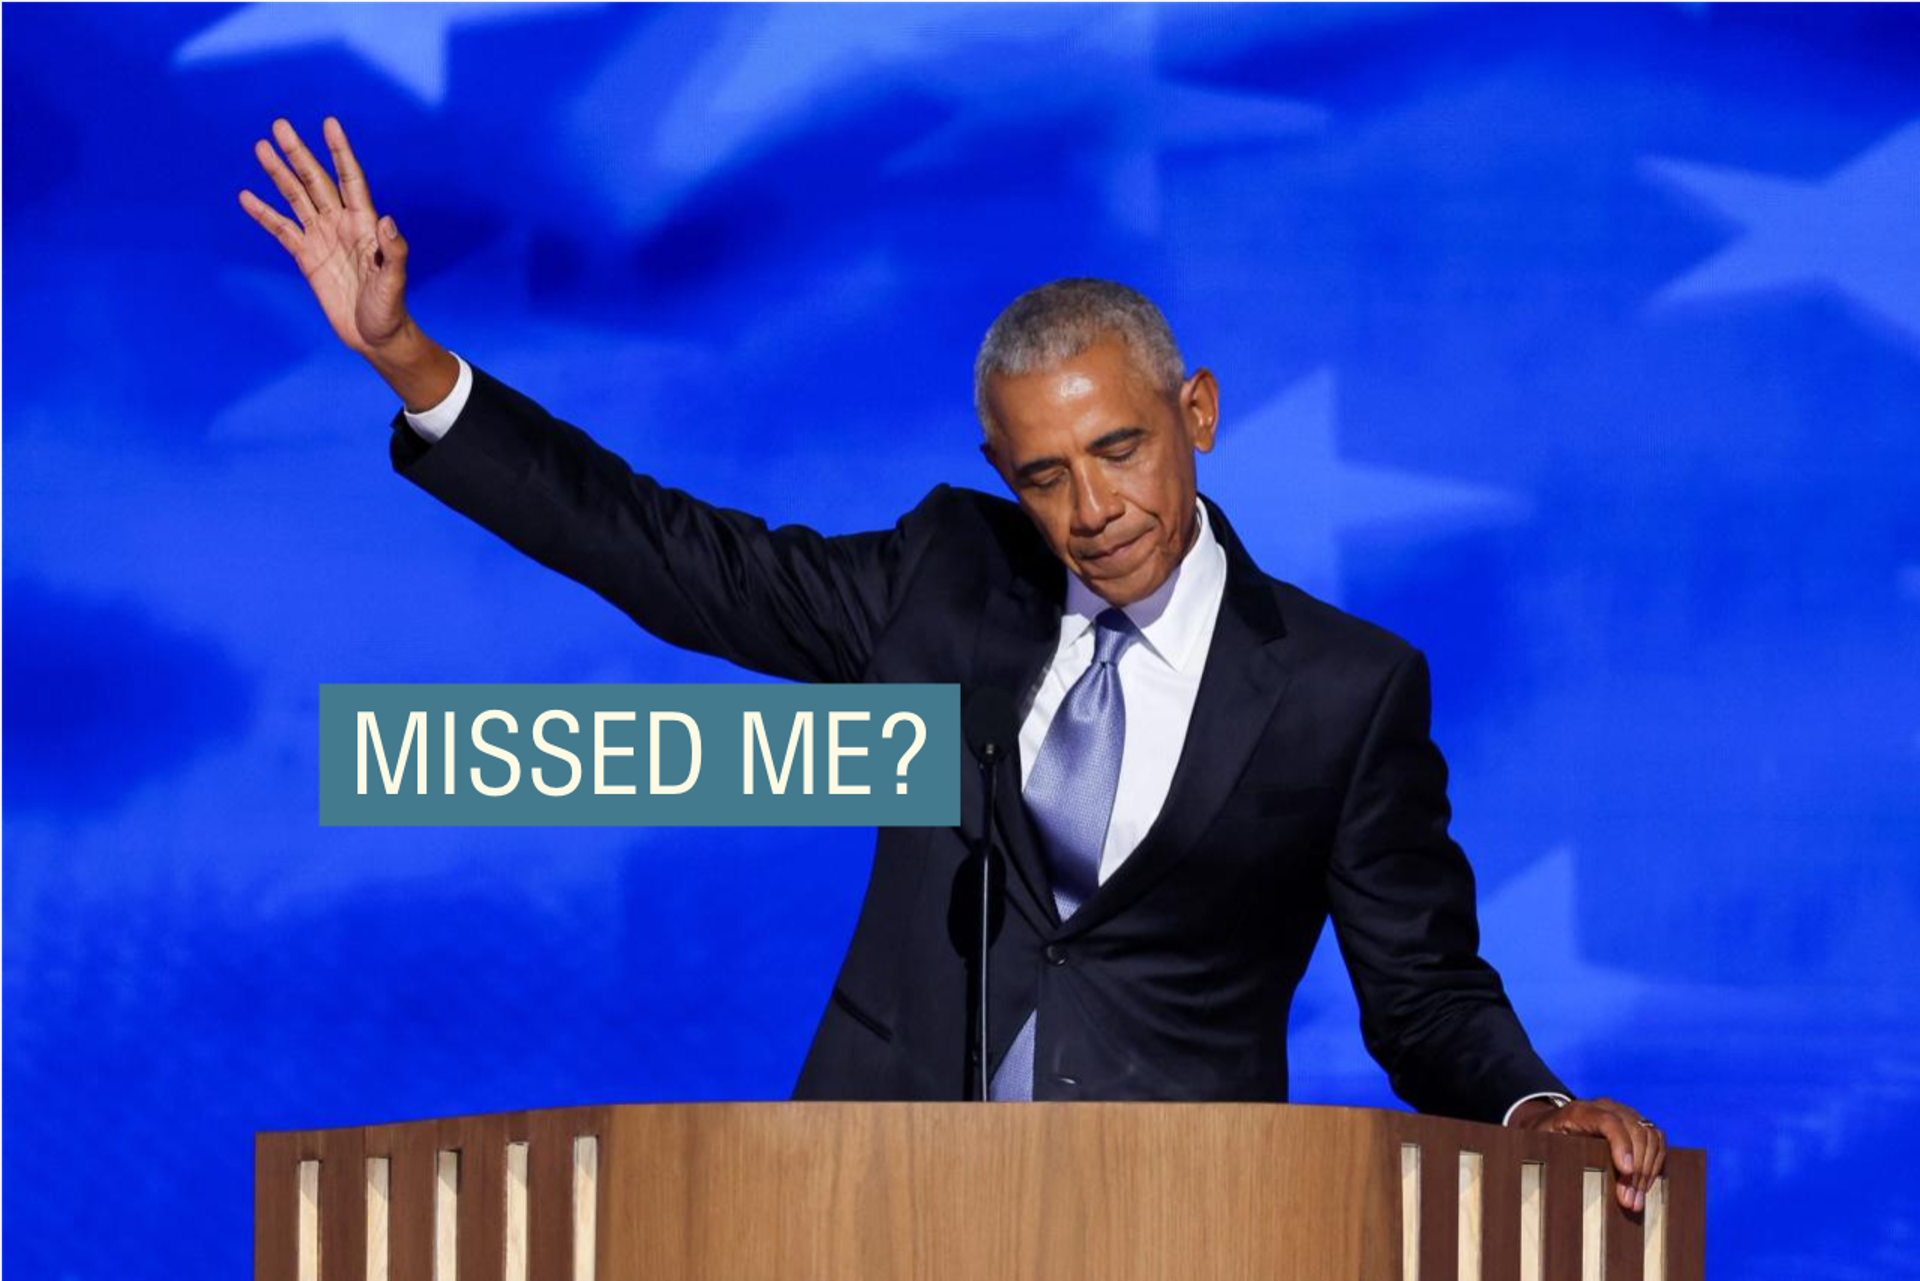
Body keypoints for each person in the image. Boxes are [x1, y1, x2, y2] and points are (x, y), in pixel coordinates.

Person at [240, 116, 1668, 1210]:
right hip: (866, 1198)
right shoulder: (943, 583)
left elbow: (1422, 993)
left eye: (1121, 450)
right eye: (1045, 475)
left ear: (1199, 416)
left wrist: (1537, 1110)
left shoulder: (1346, 690)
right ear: (1002, 472)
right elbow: (672, 555)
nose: (1092, 508)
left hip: (1174, 1222)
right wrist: (414, 364)